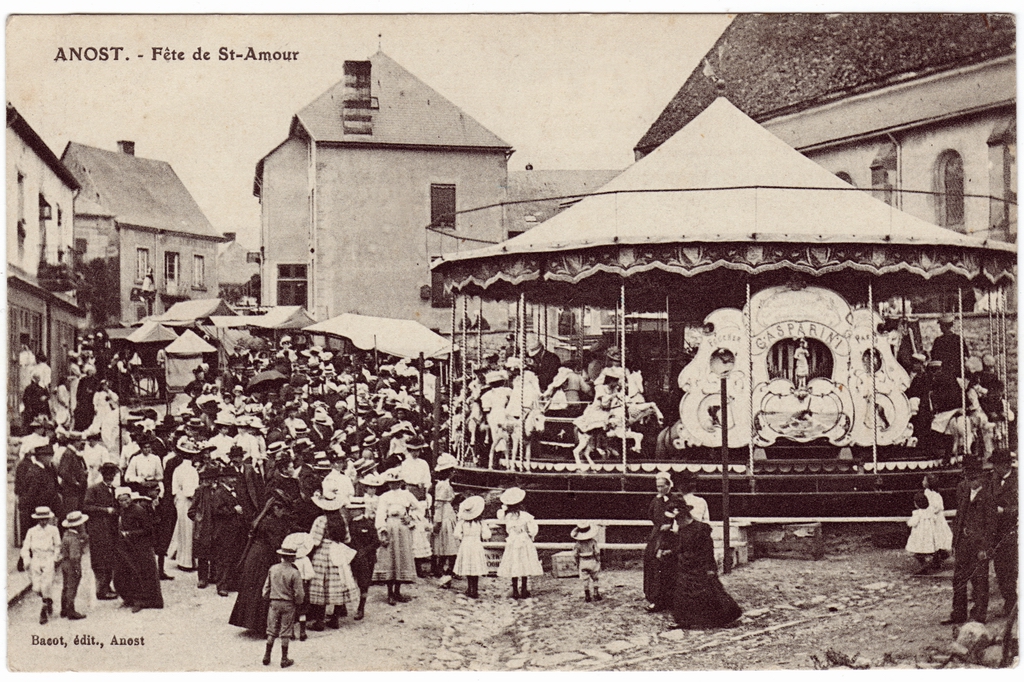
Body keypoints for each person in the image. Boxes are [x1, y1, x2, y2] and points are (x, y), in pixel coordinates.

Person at [671, 497, 742, 629]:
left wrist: (710, 568)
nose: (677, 523)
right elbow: (680, 548)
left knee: (710, 592)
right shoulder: (682, 530)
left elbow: (708, 550)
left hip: (700, 565)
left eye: (678, 519)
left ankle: (725, 617)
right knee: (682, 593)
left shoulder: (701, 529)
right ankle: (684, 620)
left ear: (685, 516)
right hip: (685, 565)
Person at [230, 497, 294, 635]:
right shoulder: (270, 523)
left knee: (253, 588)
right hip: (263, 557)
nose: (283, 513)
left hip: (255, 556)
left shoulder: (263, 520)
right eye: (281, 509)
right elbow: (276, 543)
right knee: (262, 588)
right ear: (275, 508)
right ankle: (262, 625)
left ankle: (251, 622)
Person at [943, 464, 997, 625]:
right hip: (963, 545)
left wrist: (985, 548)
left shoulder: (988, 497)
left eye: (974, 479)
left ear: (981, 478)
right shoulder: (965, 494)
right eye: (968, 478)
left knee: (979, 581)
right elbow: (958, 519)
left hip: (978, 547)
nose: (972, 482)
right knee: (959, 580)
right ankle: (958, 614)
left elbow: (991, 526)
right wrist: (955, 542)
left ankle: (979, 615)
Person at [305, 485, 359, 630]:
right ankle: (335, 618)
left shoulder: (321, 520)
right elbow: (347, 539)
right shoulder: (341, 519)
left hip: (324, 552)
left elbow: (314, 541)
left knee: (322, 584)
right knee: (338, 582)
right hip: (338, 550)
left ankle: (319, 621)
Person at [372, 468, 418, 605]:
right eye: (392, 482)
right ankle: (390, 592)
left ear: (401, 482)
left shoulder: (407, 495)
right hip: (390, 525)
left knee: (401, 557)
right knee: (390, 558)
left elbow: (419, 507)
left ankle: (398, 590)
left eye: (397, 482)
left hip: (402, 526)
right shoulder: (385, 496)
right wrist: (382, 529)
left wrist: (411, 517)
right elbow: (380, 514)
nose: (394, 485)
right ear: (388, 483)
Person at [114, 488, 164, 612]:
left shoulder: (138, 511)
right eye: (121, 500)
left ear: (131, 498)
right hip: (128, 546)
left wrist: (131, 533)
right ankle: (130, 598)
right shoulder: (122, 511)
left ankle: (143, 601)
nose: (124, 502)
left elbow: (148, 530)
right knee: (127, 572)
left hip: (141, 546)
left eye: (126, 499)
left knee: (142, 573)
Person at [262, 535, 304, 669]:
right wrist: (298, 602)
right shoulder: (294, 572)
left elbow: (266, 588)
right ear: (292, 557)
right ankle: (284, 658)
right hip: (288, 604)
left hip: (274, 603)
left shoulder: (273, 568)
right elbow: (299, 593)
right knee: (285, 631)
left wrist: (267, 597)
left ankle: (267, 656)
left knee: (271, 630)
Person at [644, 471, 683, 612]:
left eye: (662, 486)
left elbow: (683, 515)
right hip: (658, 536)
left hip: (672, 536)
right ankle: (655, 598)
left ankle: (671, 599)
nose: (659, 489)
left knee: (670, 565)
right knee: (653, 563)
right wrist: (659, 526)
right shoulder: (656, 500)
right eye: (657, 486)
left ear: (669, 485)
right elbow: (651, 515)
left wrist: (672, 525)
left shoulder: (676, 498)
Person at [496, 487, 543, 599]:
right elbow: (533, 529)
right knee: (524, 563)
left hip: (512, 540)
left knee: (514, 563)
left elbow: (502, 521)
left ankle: (515, 590)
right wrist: (530, 535)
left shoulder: (507, 516)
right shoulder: (525, 515)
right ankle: (524, 589)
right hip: (523, 540)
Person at [83, 463, 120, 600]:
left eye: (112, 475)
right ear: (103, 475)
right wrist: (105, 510)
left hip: (111, 530)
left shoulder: (115, 490)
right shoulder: (94, 489)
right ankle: (101, 590)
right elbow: (86, 507)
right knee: (100, 559)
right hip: (98, 530)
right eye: (107, 475)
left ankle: (106, 586)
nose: (110, 477)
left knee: (110, 558)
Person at [20, 506, 61, 624]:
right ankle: (48, 600)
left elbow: (58, 545)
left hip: (48, 558)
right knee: (36, 587)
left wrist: (55, 557)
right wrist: (26, 559)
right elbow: (25, 547)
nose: (43, 522)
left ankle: (43, 611)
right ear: (37, 520)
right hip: (36, 559)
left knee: (46, 584)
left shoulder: (53, 530)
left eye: (46, 519)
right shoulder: (31, 531)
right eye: (41, 520)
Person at [15, 444, 61, 547]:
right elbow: (31, 495)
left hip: (46, 510)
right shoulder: (35, 472)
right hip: (37, 512)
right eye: (48, 456)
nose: (50, 458)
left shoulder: (48, 469)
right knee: (35, 541)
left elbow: (55, 488)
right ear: (41, 457)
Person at [990, 450, 1017, 616]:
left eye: (997, 464)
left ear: (1005, 465)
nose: (994, 468)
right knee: (1000, 570)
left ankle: (1013, 605)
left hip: (1013, 532)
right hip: (997, 534)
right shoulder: (993, 480)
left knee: (1012, 570)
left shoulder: (1017, 480)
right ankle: (1009, 603)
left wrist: (1004, 511)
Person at [345, 497, 380, 621]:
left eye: (354, 510)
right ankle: (341, 608)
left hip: (366, 558)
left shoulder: (368, 524)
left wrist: (364, 551)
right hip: (351, 557)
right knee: (346, 580)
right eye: (350, 510)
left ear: (361, 510)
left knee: (363, 584)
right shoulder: (349, 524)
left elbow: (376, 542)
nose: (351, 512)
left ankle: (361, 607)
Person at [169, 441, 200, 571]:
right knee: (188, 531)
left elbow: (175, 489)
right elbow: (189, 492)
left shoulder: (178, 469)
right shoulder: (191, 470)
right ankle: (187, 562)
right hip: (188, 502)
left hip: (179, 500)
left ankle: (183, 559)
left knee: (182, 529)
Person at [453, 496, 490, 599]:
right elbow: (487, 535)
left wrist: (462, 537)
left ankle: (470, 589)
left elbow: (456, 534)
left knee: (468, 567)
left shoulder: (462, 522)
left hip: (466, 544)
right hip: (476, 544)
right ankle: (475, 590)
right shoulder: (481, 523)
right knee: (475, 567)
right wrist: (480, 536)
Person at [431, 453, 460, 582]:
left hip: (449, 512)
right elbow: (439, 504)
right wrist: (437, 521)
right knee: (447, 541)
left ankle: (449, 568)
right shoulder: (441, 485)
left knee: (450, 542)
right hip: (444, 514)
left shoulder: (446, 484)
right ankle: (441, 567)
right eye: (451, 471)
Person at [58, 510, 90, 620]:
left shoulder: (66, 535)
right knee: (72, 587)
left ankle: (64, 609)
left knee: (65, 586)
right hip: (72, 565)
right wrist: (77, 569)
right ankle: (71, 610)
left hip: (64, 563)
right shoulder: (74, 539)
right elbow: (74, 557)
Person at [906, 492, 942, 573]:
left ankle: (924, 566)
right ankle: (936, 561)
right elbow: (935, 518)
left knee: (918, 552)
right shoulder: (931, 511)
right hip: (930, 536)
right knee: (932, 550)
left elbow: (912, 523)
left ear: (917, 504)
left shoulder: (918, 513)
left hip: (920, 536)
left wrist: (908, 522)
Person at [571, 522, 602, 603]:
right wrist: (598, 560)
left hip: (583, 562)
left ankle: (587, 595)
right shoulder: (593, 542)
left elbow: (575, 554)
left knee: (585, 579)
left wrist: (577, 563)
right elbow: (597, 552)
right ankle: (596, 593)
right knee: (595, 578)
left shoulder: (577, 544)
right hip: (592, 561)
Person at [930, 313, 964, 380]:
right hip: (957, 372)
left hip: (943, 372)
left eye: (941, 326)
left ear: (944, 326)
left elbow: (934, 357)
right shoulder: (958, 339)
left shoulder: (938, 340)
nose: (940, 328)